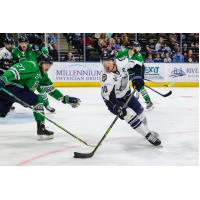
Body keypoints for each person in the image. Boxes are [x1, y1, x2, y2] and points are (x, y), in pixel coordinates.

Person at [0, 54, 81, 140]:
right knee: (38, 99)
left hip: (13, 92)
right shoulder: (32, 65)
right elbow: (15, 69)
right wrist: (3, 79)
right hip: (11, 88)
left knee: (1, 113)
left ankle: (41, 128)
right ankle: (41, 129)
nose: (49, 67)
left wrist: (64, 99)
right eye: (47, 64)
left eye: (50, 64)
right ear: (40, 62)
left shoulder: (43, 76)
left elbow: (51, 90)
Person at [100, 49, 161, 146]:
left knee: (141, 113)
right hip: (113, 101)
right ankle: (148, 135)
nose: (106, 65)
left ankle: (146, 130)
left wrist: (137, 77)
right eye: (103, 62)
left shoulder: (122, 62)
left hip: (126, 94)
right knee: (129, 114)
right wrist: (117, 107)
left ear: (114, 60)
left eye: (108, 61)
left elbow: (138, 64)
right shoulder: (106, 77)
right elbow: (110, 97)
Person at [12, 35, 56, 113]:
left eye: (25, 43)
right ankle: (8, 104)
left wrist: (41, 48)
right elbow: (13, 61)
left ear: (28, 43)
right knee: (17, 90)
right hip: (23, 76)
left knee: (41, 89)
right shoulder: (15, 51)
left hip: (35, 73)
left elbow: (44, 52)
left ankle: (47, 105)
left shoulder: (32, 48)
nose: (23, 45)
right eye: (21, 43)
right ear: (18, 43)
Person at [115, 41, 154, 110]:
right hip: (124, 71)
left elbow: (142, 66)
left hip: (134, 72)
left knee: (140, 86)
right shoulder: (125, 51)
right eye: (137, 47)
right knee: (121, 86)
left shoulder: (138, 55)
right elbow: (115, 56)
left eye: (139, 47)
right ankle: (119, 101)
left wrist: (141, 77)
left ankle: (148, 102)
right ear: (132, 47)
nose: (138, 49)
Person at [0, 36, 15, 111]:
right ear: (5, 44)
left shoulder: (14, 51)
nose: (10, 45)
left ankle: (7, 103)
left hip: (8, 73)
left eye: (11, 44)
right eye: (8, 44)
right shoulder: (2, 51)